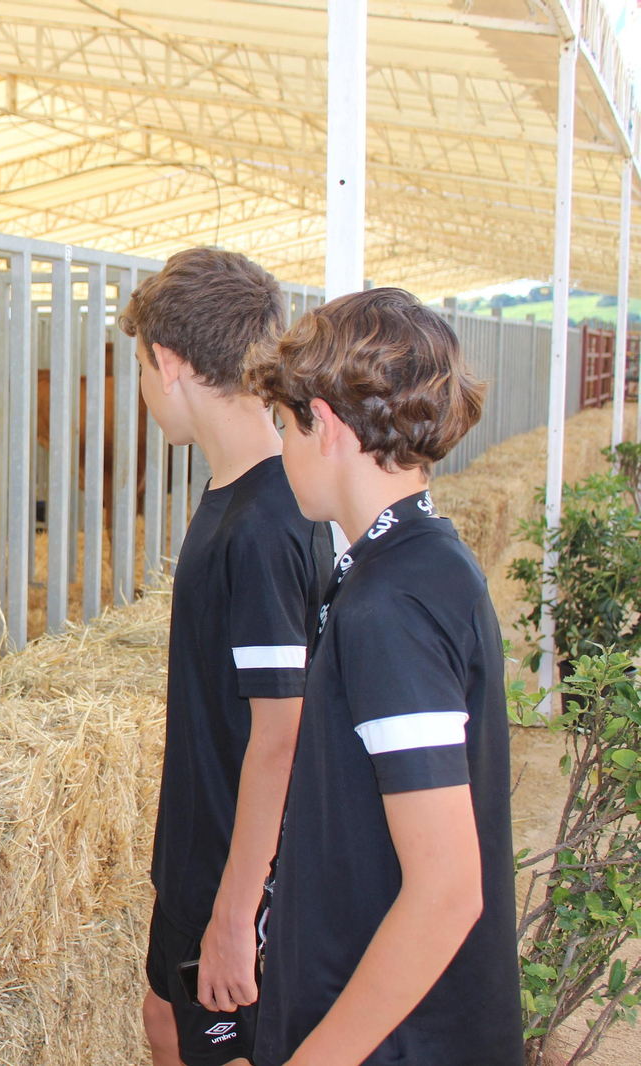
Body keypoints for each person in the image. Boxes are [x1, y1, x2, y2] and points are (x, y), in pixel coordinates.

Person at [242, 287, 520, 1065]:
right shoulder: (421, 562)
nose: (283, 451)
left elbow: (446, 891)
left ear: (323, 424)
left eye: (284, 427)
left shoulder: (390, 604)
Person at [123, 248, 333, 1066]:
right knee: (163, 1021)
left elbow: (281, 733)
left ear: (169, 362)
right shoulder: (235, 495)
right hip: (196, 853)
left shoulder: (265, 522)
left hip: (230, 872)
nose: (144, 388)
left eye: (142, 368)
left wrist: (236, 914)